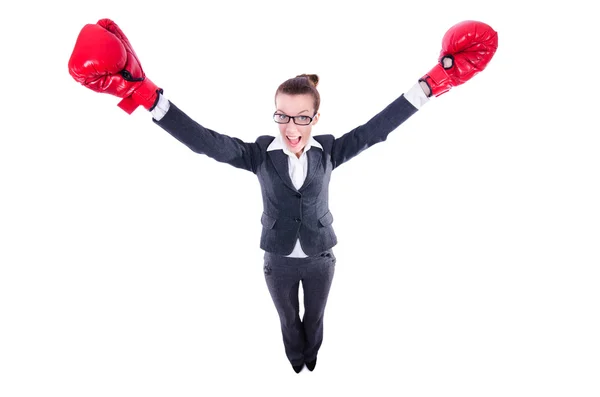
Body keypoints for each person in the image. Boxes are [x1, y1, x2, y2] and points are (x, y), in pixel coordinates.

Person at [68, 18, 498, 373]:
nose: (291, 127)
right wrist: (148, 97)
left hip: (319, 256)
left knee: (315, 317)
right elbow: (203, 141)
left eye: (301, 117)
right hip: (276, 257)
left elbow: (375, 130)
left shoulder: (328, 150)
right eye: (282, 116)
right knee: (287, 320)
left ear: (314, 116)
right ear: (275, 114)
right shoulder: (257, 154)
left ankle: (314, 358)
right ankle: (297, 361)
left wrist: (429, 84)